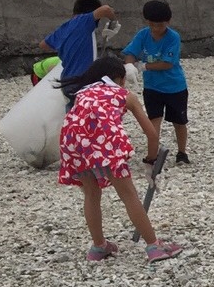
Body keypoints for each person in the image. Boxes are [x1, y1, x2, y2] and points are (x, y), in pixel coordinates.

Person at [57, 56, 183, 263]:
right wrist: (150, 161)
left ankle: (98, 247)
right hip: (104, 142)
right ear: (118, 78)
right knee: (128, 194)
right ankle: (154, 246)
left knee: (90, 192)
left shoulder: (83, 93)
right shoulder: (126, 95)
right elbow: (151, 134)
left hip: (72, 142)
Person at [121, 0, 192, 165]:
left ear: (168, 22)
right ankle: (152, 155)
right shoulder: (142, 35)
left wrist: (143, 66)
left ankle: (182, 152)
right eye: (152, 25)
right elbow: (131, 52)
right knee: (153, 120)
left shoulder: (173, 37)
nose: (156, 29)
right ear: (147, 22)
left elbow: (167, 63)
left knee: (179, 121)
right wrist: (129, 66)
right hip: (152, 87)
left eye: (160, 25)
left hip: (175, 87)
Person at [42, 0, 120, 99]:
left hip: (67, 82)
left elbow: (43, 45)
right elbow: (106, 9)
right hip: (82, 84)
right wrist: (113, 21)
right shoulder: (83, 21)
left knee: (74, 111)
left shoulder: (65, 27)